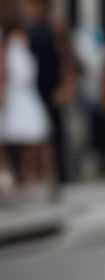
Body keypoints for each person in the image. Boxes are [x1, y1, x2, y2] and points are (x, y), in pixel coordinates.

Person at [22, 0, 75, 185]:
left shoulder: (56, 26)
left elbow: (67, 59)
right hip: (33, 88)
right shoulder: (28, 28)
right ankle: (36, 174)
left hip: (53, 86)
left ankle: (62, 174)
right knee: (32, 131)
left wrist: (67, 86)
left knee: (56, 131)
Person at [1, 21, 51, 192]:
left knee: (33, 138)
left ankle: (32, 174)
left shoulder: (24, 52)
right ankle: (14, 174)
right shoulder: (9, 53)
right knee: (13, 138)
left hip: (27, 98)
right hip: (14, 98)